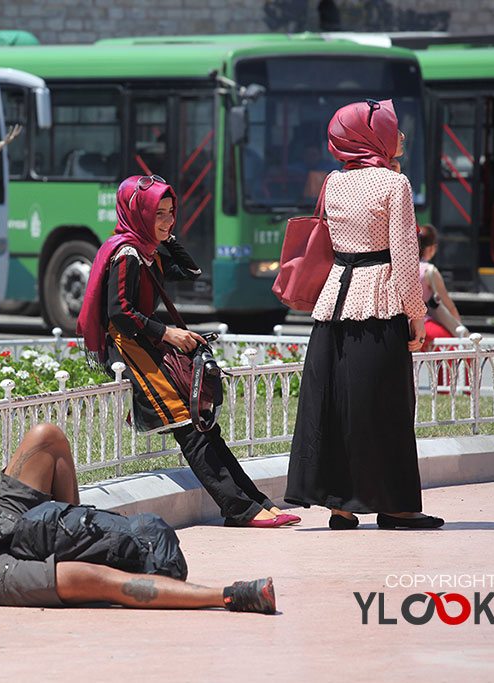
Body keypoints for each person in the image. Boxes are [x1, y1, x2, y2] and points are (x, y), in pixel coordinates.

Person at [0, 367, 277, 613]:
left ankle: (72, 530)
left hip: (1, 522)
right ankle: (227, 596)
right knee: (98, 580)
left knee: (47, 435)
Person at [76, 175, 300, 529]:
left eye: (170, 213)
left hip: (147, 344)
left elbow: (191, 271)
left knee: (204, 425)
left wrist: (166, 237)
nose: (167, 221)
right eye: (157, 214)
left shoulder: (145, 250)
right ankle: (241, 510)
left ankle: (255, 503)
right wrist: (168, 333)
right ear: (138, 214)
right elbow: (118, 312)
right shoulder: (127, 254)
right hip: (133, 349)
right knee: (191, 426)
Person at [284, 99, 444, 530]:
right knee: (384, 407)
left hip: (335, 304)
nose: (402, 137)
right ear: (371, 137)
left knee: (337, 404)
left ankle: (342, 505)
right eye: (394, 129)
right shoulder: (396, 185)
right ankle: (395, 507)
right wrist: (416, 314)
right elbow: (406, 259)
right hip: (379, 301)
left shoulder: (333, 183)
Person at [417, 223, 463, 351]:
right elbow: (448, 305)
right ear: (432, 248)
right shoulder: (429, 271)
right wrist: (460, 329)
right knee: (450, 347)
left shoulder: (405, 267)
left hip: (403, 324)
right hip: (423, 323)